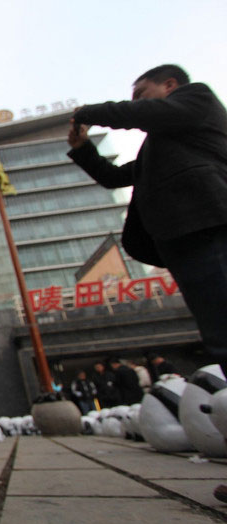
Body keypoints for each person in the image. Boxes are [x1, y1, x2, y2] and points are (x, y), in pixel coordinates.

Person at [67, 65, 227, 367]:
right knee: (217, 332)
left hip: (207, 222)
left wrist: (87, 113)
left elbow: (139, 114)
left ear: (170, 85)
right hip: (177, 237)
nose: (138, 103)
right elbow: (114, 177)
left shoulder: (198, 98)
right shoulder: (157, 148)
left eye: (141, 95)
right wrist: (83, 148)